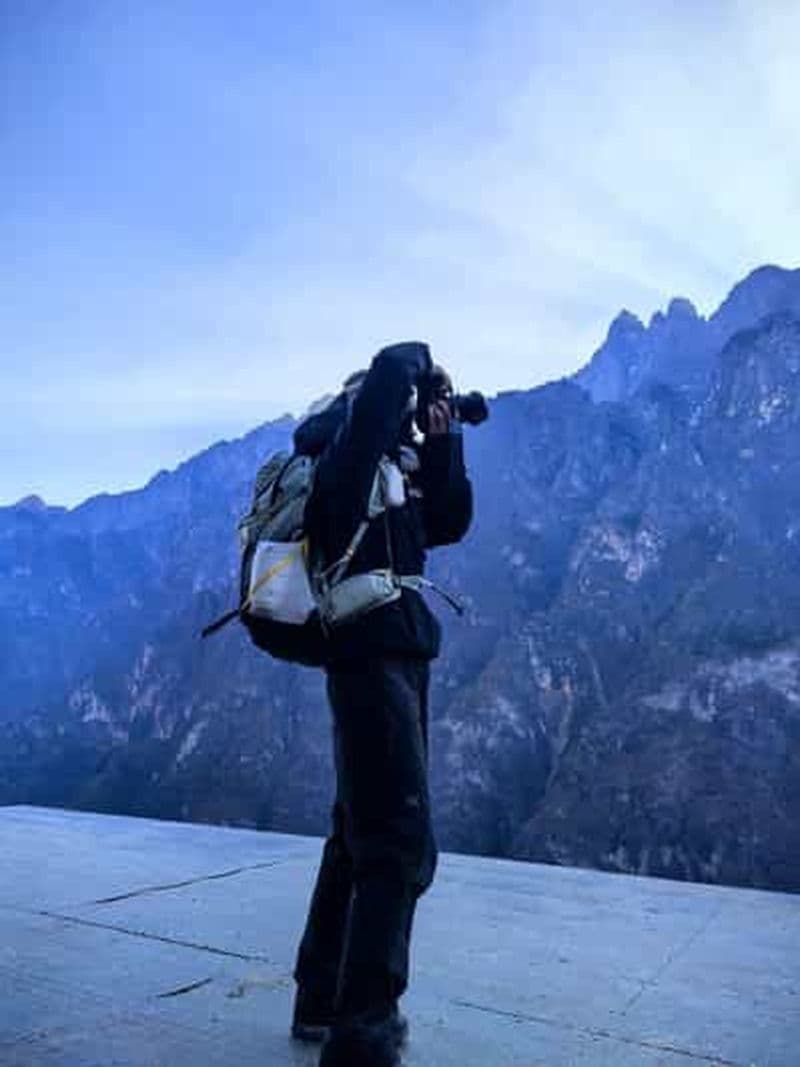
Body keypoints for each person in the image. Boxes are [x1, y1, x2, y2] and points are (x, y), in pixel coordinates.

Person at [290, 341, 474, 1067]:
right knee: (398, 840)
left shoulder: (388, 484)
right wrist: (420, 365)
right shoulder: (346, 462)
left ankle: (320, 996)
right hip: (367, 660)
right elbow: (392, 360)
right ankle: (363, 1030)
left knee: (356, 832)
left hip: (401, 657)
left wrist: (446, 432)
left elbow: (452, 519)